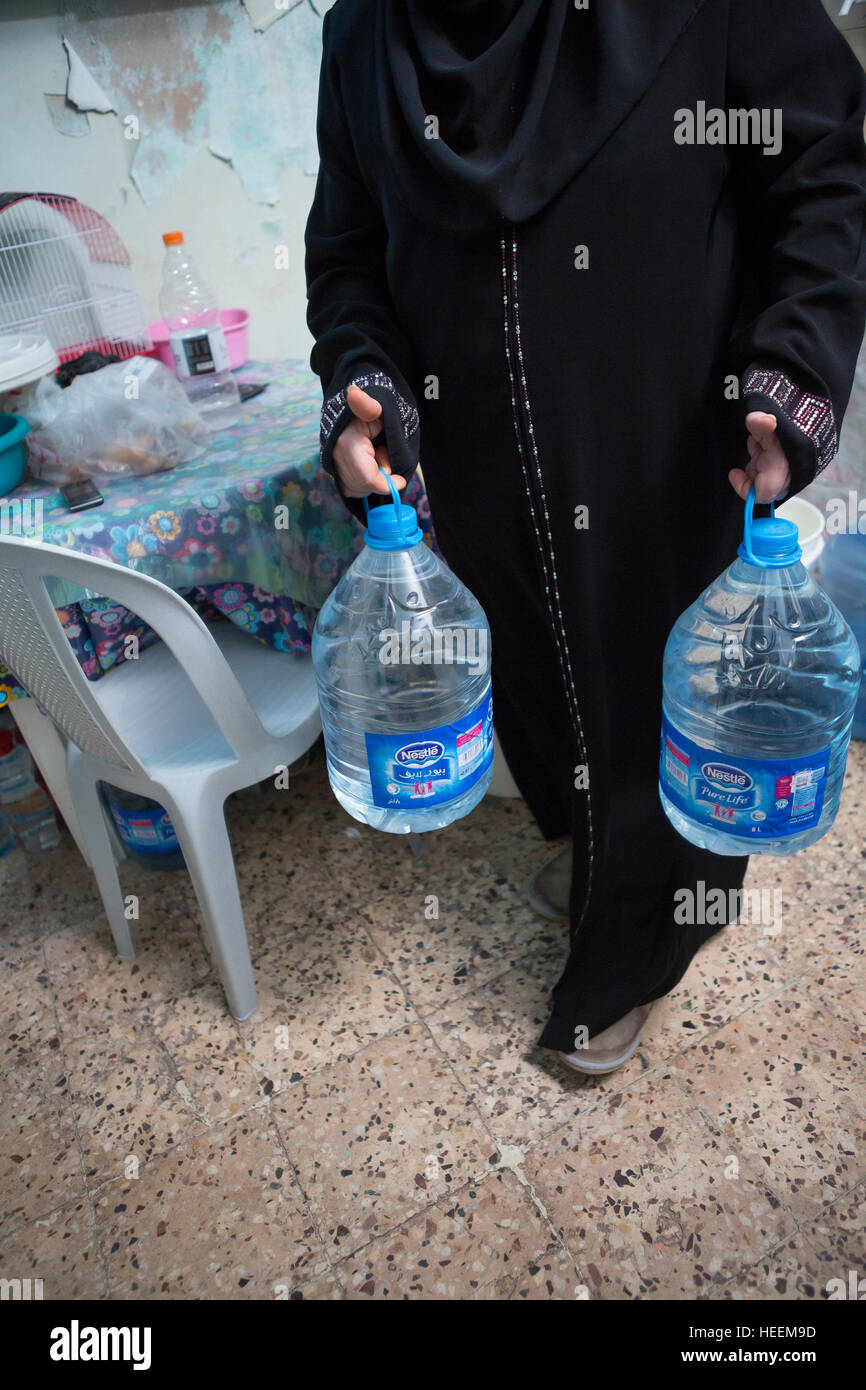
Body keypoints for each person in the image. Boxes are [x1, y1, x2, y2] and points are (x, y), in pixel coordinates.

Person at [305, 0, 866, 1073]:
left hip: (657, 453)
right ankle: (605, 862)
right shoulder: (369, 36)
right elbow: (346, 254)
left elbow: (818, 171)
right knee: (542, 683)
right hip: (471, 465)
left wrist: (792, 361)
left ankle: (632, 953)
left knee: (651, 696)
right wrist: (362, 379)